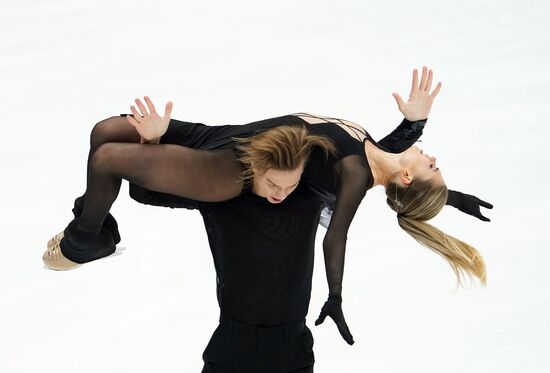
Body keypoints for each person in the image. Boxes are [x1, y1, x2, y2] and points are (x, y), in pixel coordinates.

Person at [43, 66, 491, 344]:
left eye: (435, 168)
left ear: (411, 177)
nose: (435, 158)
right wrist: (444, 184)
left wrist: (335, 295)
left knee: (108, 158)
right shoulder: (376, 151)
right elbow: (392, 160)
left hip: (229, 165)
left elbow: (337, 234)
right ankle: (94, 221)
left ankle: (87, 241)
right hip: (224, 133)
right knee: (105, 130)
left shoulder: (354, 174)